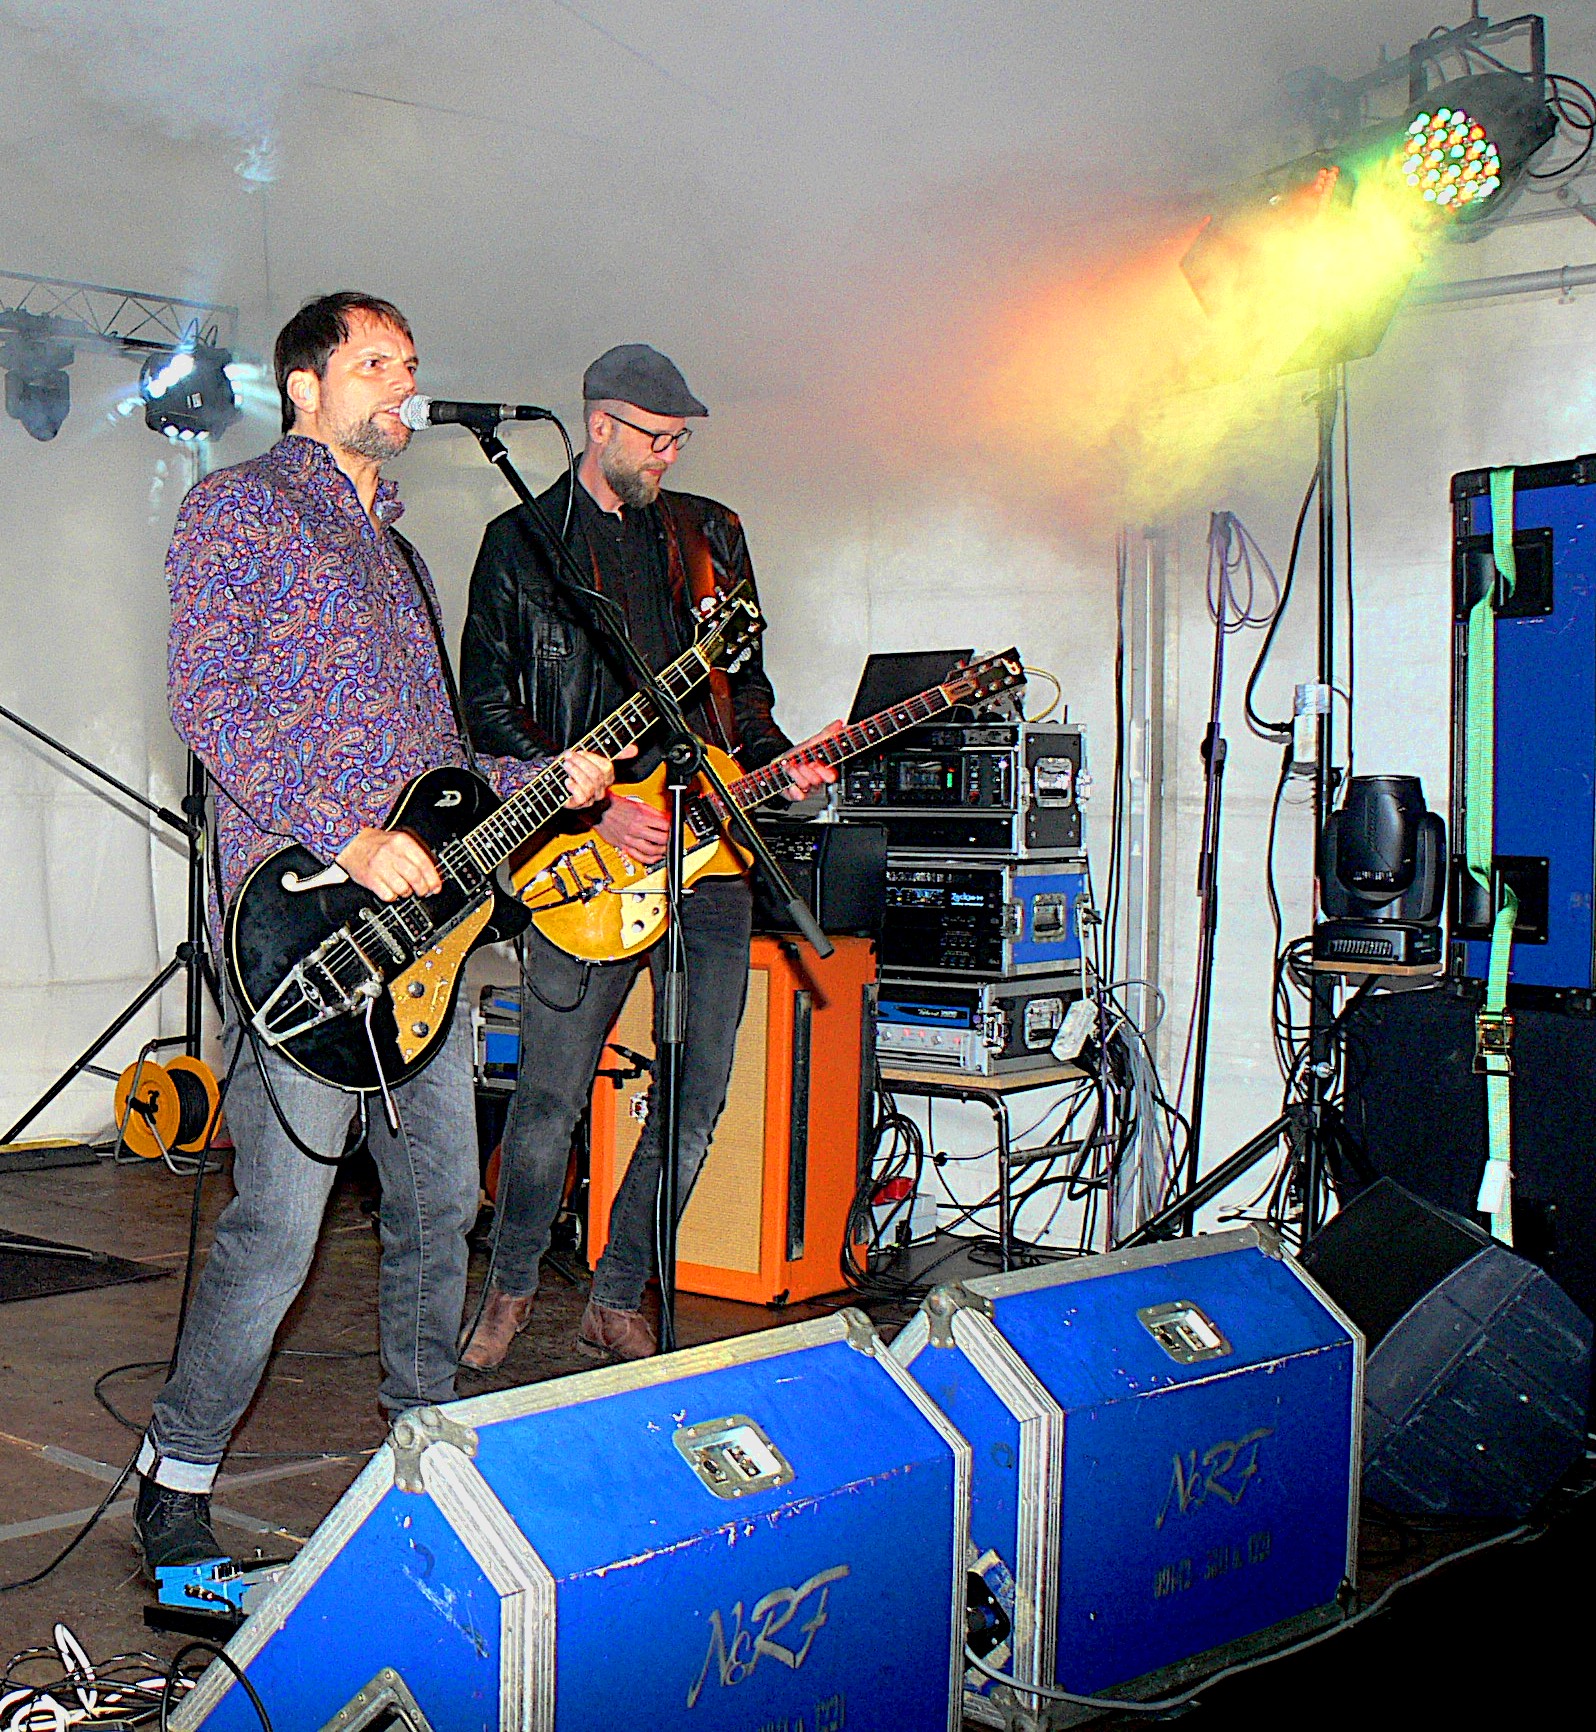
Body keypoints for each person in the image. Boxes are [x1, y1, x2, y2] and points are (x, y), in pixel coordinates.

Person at [134, 293, 619, 1576]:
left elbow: (437, 771)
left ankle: (423, 1441)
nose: (404, 381)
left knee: (440, 1202)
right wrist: (345, 836)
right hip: (303, 933)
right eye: (375, 362)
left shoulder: (403, 559)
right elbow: (208, 700)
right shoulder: (238, 510)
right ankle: (177, 1468)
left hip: (425, 947)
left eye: (410, 362)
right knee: (280, 1225)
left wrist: (541, 781)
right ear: (306, 386)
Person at [459, 343, 837, 1365]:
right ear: (601, 426)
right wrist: (588, 814)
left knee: (697, 1094)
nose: (669, 456)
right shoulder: (521, 544)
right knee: (549, 1099)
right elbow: (485, 710)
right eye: (656, 438)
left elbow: (743, 692)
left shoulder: (713, 536)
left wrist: (778, 760)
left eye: (680, 440)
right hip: (581, 857)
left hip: (708, 852)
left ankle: (618, 1291)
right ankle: (510, 1285)